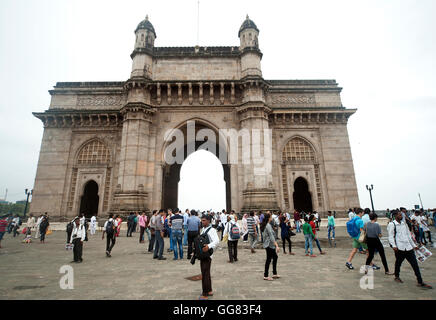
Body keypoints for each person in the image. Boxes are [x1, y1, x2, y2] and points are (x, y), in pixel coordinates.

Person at [388, 210, 432, 289]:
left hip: (408, 247)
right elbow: (390, 236)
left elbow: (409, 235)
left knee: (415, 265)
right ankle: (397, 276)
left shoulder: (404, 224)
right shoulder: (392, 224)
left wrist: (414, 245)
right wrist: (394, 246)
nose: (401, 216)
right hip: (400, 248)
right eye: (399, 215)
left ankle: (420, 281)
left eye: (401, 215)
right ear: (395, 216)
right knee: (398, 263)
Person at [197, 214, 220, 300]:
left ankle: (205, 293)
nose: (202, 222)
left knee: (205, 273)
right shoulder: (203, 229)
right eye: (201, 220)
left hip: (208, 255)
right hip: (203, 254)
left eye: (204, 220)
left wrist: (209, 246)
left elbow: (217, 241)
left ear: (209, 221)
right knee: (206, 273)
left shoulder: (212, 230)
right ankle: (209, 290)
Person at [261, 213, 280, 281]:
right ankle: (266, 275)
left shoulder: (267, 225)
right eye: (271, 217)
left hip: (269, 245)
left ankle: (274, 273)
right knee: (269, 259)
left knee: (275, 257)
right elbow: (271, 236)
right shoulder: (268, 225)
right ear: (269, 218)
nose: (272, 218)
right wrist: (276, 245)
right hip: (269, 245)